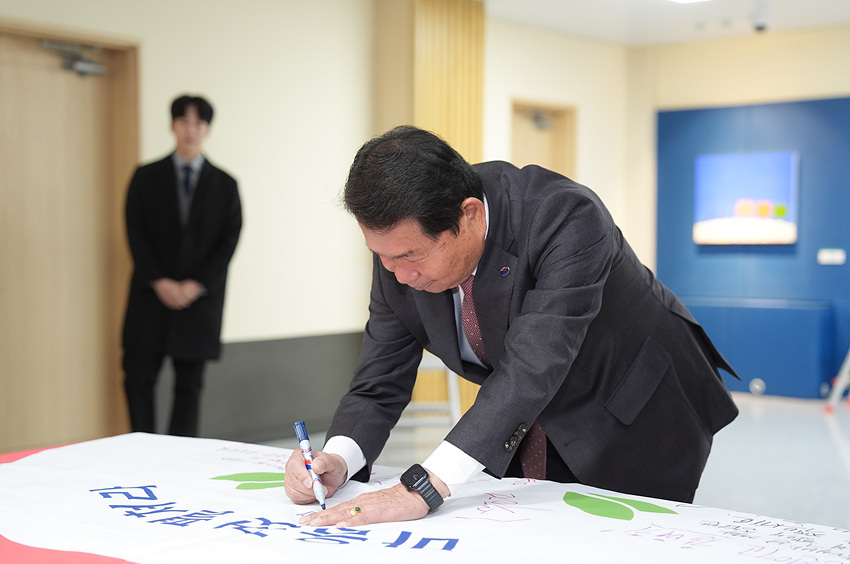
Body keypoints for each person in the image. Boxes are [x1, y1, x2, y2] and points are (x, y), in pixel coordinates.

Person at [285, 125, 738, 527]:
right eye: (382, 257)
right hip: (525, 416)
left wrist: (423, 486)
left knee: (621, 543)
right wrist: (338, 458)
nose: (398, 275)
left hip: (634, 404)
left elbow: (532, 366)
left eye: (411, 257)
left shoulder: (565, 216)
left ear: (469, 215)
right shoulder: (399, 251)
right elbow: (378, 381)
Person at [121, 94, 242, 437]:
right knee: (138, 379)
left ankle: (181, 455)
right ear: (172, 126)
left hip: (198, 302)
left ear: (207, 130)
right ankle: (140, 449)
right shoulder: (145, 176)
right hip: (150, 297)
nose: (191, 130)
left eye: (198, 123)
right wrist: (159, 280)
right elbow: (135, 231)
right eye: (184, 122)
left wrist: (196, 284)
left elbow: (228, 241)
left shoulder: (225, 184)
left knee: (189, 388)